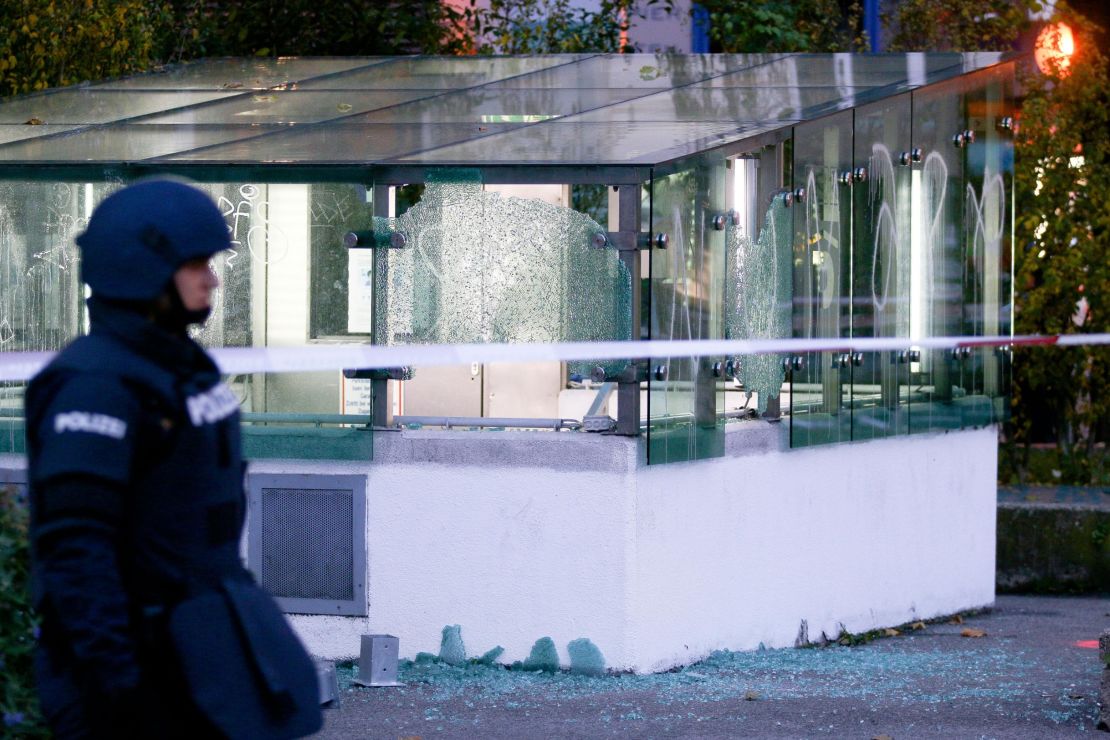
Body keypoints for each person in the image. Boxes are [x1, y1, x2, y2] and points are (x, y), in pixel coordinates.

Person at [24, 180, 322, 739]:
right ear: (143, 269)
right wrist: (122, 688)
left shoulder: (180, 365)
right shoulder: (96, 386)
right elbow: (77, 551)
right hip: (135, 667)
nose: (211, 278)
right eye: (196, 264)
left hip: (201, 641)